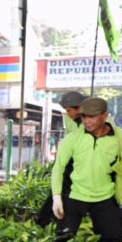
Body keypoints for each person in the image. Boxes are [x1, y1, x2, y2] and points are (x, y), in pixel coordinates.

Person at [51, 97, 122, 242]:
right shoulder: (74, 138)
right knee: (62, 239)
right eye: (84, 116)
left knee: (114, 239)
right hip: (76, 196)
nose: (87, 121)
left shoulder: (118, 137)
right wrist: (57, 197)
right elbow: (59, 166)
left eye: (92, 117)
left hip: (104, 196)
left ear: (105, 116)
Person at [37, 91, 87, 227]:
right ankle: (43, 225)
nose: (68, 114)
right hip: (70, 161)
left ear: (80, 108)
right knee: (60, 194)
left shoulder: (92, 122)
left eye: (69, 110)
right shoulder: (70, 118)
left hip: (86, 166)